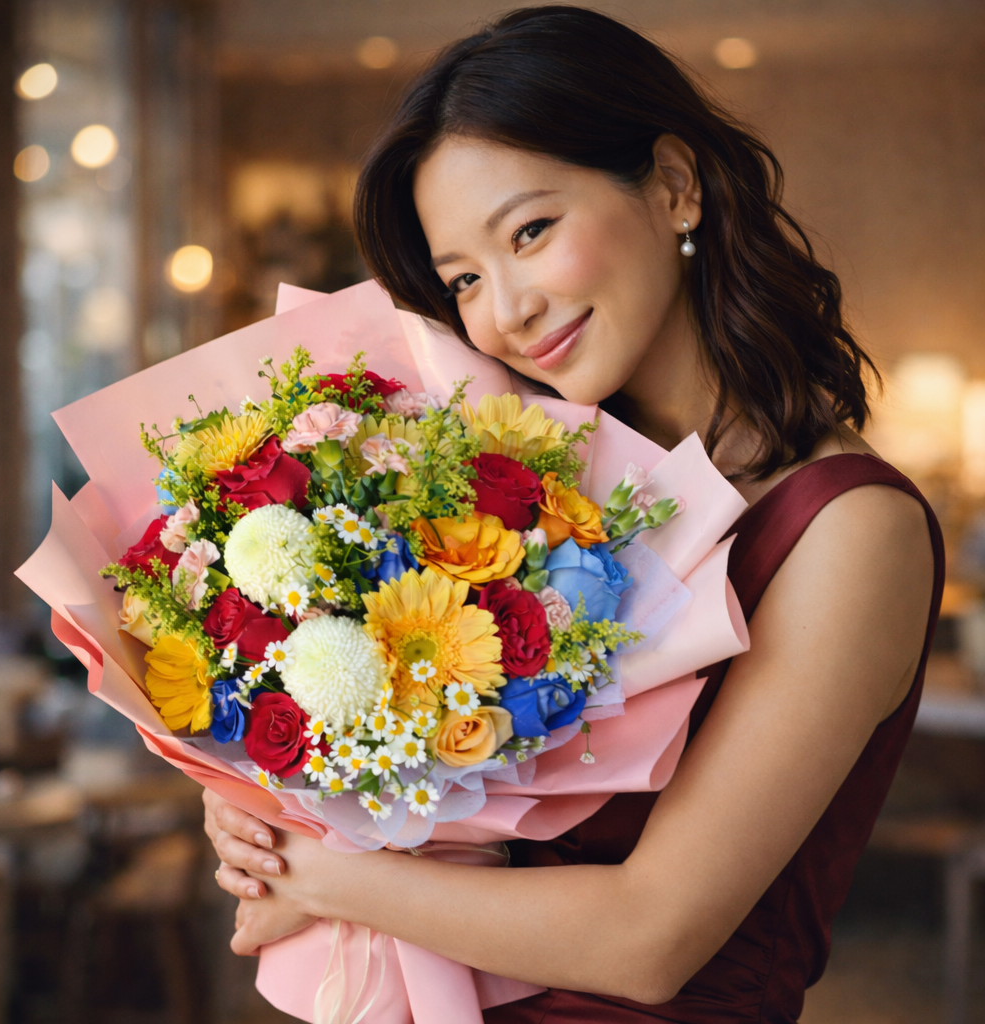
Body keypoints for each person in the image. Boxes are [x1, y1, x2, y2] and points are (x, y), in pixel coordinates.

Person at [203, 7, 943, 1021]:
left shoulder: (850, 530)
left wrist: (318, 875)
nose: (504, 309)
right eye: (463, 278)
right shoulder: (522, 500)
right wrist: (278, 789)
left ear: (674, 187)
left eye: (531, 232)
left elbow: (651, 936)